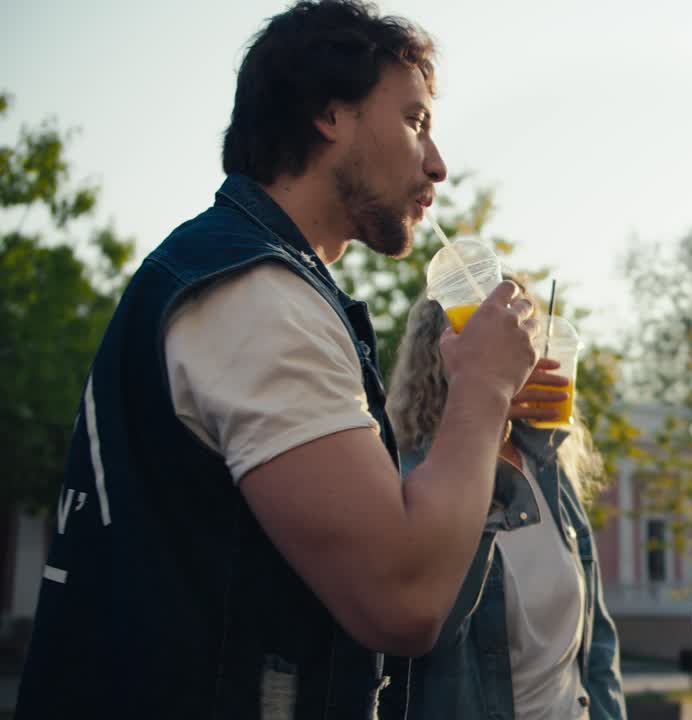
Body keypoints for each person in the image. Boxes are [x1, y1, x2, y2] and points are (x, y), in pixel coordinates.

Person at [16, 2, 538, 717]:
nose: (439, 164)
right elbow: (403, 600)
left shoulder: (239, 278)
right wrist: (482, 387)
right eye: (415, 121)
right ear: (330, 114)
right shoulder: (257, 299)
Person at [385, 291, 626, 719]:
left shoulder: (550, 472)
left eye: (524, 330)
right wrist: (486, 413)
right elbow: (427, 637)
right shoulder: (411, 477)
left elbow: (597, 649)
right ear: (446, 350)